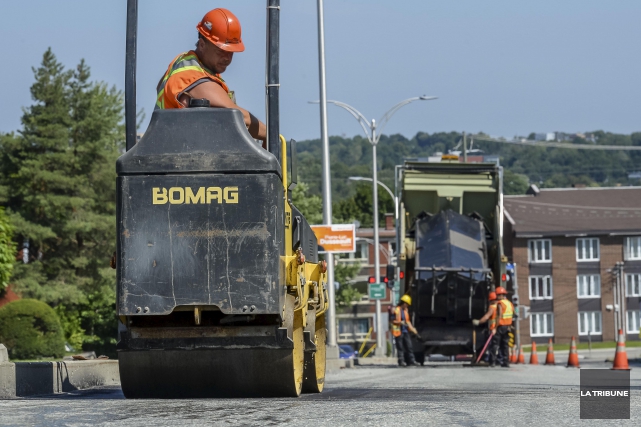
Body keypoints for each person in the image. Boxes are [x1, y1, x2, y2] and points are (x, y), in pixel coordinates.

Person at [155, 8, 267, 144]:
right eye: (221, 51)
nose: (227, 58)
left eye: (231, 52)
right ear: (202, 45)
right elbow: (239, 117)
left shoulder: (183, 61)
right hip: (179, 153)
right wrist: (269, 135)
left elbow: (159, 87)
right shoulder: (193, 77)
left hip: (171, 147)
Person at [391, 295, 420, 367]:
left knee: (409, 346)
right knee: (400, 347)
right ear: (403, 303)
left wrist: (413, 330)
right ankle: (401, 361)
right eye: (407, 304)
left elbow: (407, 321)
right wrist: (399, 323)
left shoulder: (405, 311)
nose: (407, 306)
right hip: (398, 332)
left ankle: (412, 361)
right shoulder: (396, 310)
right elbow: (392, 321)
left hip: (405, 331)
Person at [473, 292, 499, 366]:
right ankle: (500, 360)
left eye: (490, 300)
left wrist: (478, 322)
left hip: (493, 329)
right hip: (500, 328)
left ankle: (491, 361)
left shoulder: (492, 307)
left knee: (492, 346)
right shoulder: (500, 306)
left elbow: (486, 317)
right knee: (499, 345)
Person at [492, 286, 514, 368]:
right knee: (505, 345)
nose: (497, 297)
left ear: (500, 295)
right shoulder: (509, 303)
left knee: (495, 344)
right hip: (508, 327)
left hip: (500, 326)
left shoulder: (500, 304)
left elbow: (499, 315)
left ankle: (493, 361)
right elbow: (513, 314)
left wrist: (495, 328)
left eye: (497, 295)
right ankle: (506, 362)